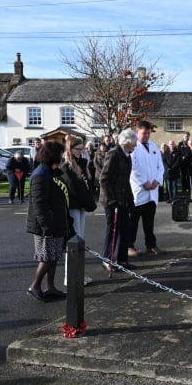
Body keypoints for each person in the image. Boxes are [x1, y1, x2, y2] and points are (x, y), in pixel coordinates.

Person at [25, 140, 70, 302]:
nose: (63, 157)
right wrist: (47, 228)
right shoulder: (40, 175)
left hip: (55, 222)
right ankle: (35, 286)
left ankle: (50, 287)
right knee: (47, 257)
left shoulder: (50, 172)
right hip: (46, 225)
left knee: (54, 255)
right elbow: (39, 205)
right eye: (61, 154)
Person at [99, 128, 137, 272]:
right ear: (127, 143)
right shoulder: (114, 153)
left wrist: (131, 200)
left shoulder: (128, 155)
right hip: (112, 200)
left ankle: (122, 260)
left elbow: (126, 181)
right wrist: (111, 198)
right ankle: (107, 259)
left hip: (123, 199)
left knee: (125, 229)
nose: (136, 145)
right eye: (134, 143)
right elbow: (104, 178)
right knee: (113, 230)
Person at [61, 135, 97, 287]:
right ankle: (70, 277)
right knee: (74, 243)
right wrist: (88, 203)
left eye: (82, 149)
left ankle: (78, 275)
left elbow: (86, 185)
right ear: (70, 149)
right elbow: (74, 189)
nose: (81, 152)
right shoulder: (66, 166)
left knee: (80, 241)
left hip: (81, 206)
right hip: (73, 207)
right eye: (78, 149)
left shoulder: (80, 163)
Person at [128, 120, 165, 256]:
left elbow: (160, 167)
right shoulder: (133, 148)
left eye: (148, 133)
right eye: (144, 133)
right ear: (137, 132)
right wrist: (144, 183)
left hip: (152, 192)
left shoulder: (154, 147)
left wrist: (156, 181)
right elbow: (133, 169)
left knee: (149, 222)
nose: (147, 136)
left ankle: (151, 245)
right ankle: (129, 245)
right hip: (138, 191)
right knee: (133, 221)